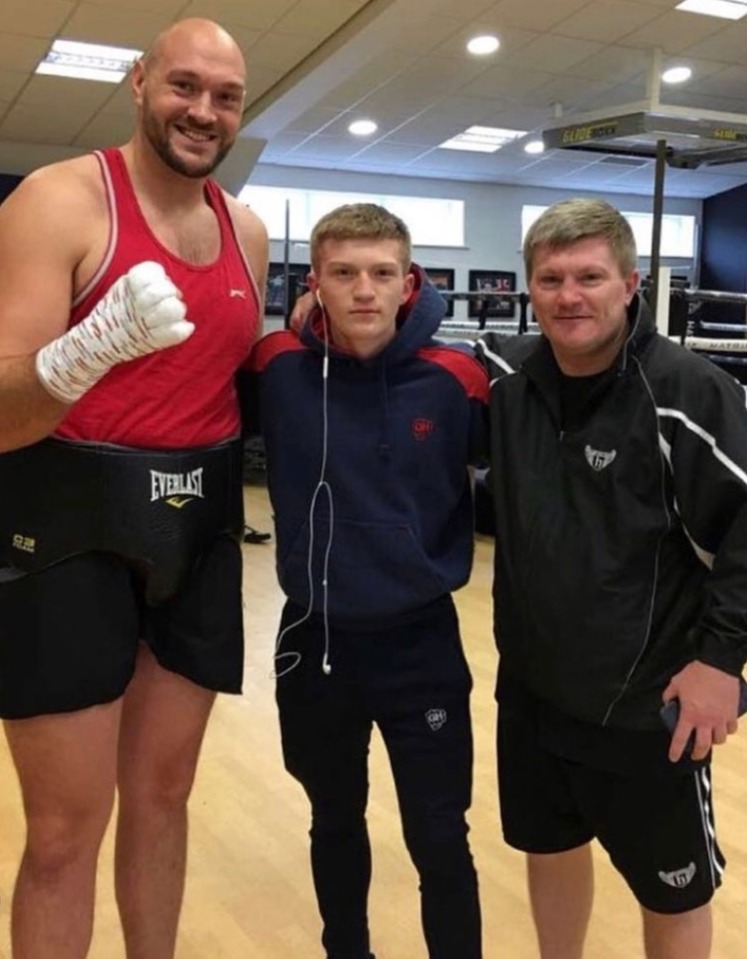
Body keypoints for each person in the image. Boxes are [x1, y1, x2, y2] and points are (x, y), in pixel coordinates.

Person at [0, 17, 268, 959]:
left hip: (193, 534)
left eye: (225, 96)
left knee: (162, 801)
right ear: (140, 82)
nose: (202, 111)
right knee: (67, 829)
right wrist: (83, 352)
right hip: (67, 533)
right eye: (183, 86)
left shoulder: (247, 229)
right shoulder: (57, 201)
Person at [476, 197, 747, 959]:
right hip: (531, 694)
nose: (570, 295)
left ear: (629, 284)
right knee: (549, 849)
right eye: (551, 278)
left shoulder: (685, 390)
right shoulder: (507, 377)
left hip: (647, 708)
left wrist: (722, 660)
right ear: (528, 287)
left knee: (672, 888)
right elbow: (399, 331)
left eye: (589, 276)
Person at [248, 203, 488, 959]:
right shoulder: (276, 368)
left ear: (408, 281)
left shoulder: (459, 379)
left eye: (381, 273)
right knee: (334, 818)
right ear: (313, 281)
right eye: (344, 273)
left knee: (440, 835)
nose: (363, 290)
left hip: (419, 642)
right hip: (315, 639)